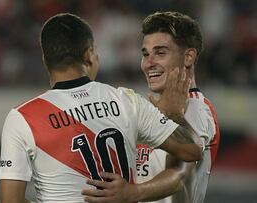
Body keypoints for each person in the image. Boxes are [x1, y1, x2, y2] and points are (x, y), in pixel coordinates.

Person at [0, 13, 202, 203]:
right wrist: (174, 113)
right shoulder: (126, 100)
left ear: (45, 60)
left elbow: (10, 200)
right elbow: (192, 151)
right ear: (89, 55)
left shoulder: (23, 118)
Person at [81, 11, 220, 203]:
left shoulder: (197, 109)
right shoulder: (146, 107)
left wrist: (131, 193)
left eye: (160, 53)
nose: (149, 63)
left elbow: (180, 174)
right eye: (145, 54)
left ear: (188, 57)